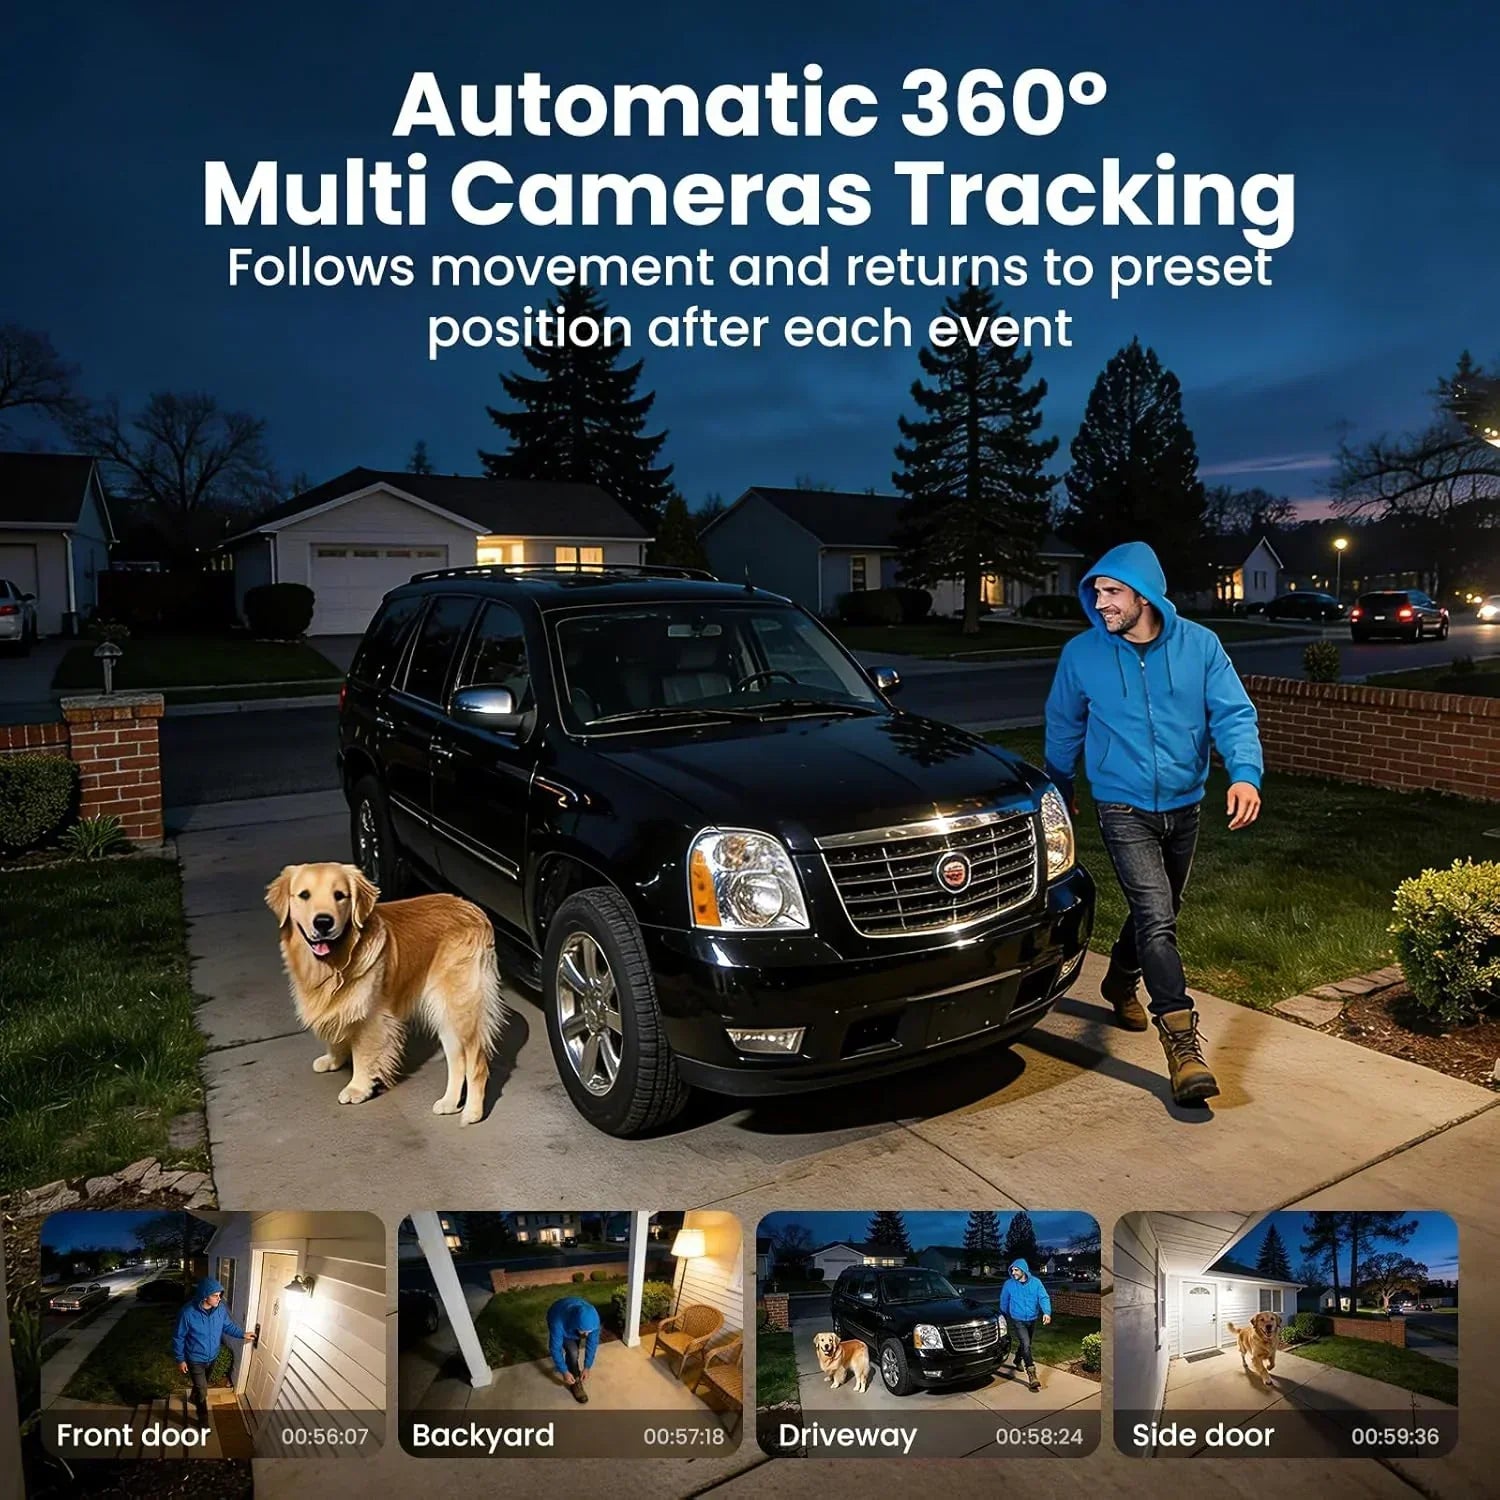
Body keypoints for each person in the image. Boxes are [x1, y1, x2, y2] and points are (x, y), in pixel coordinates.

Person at [1044, 541, 1263, 1104]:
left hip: (1185, 804)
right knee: (1156, 915)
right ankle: (1182, 1044)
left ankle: (1119, 980)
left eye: (1112, 592)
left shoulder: (1200, 646)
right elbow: (1063, 723)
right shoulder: (1082, 653)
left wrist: (1244, 773)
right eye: (1096, 591)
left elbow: (1234, 714)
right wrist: (1059, 783)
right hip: (1121, 805)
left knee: (1161, 911)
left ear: (1145, 595)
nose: (1101, 602)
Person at [173, 1276, 254, 1427]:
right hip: (195, 1358)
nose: (219, 1299)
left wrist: (243, 1334)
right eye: (215, 1295)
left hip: (213, 1357)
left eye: (220, 1295)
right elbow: (179, 1337)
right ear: (205, 1295)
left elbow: (228, 1326)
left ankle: (193, 1396)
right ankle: (203, 1420)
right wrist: (180, 1359)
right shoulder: (187, 1313)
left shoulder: (220, 1310)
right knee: (203, 1390)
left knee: (201, 1385)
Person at [998, 1258, 1051, 1392]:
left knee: (1026, 1344)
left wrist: (1046, 1312)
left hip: (1032, 1318)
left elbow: (1043, 1297)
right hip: (1017, 1319)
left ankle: (1017, 1359)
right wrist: (1003, 1315)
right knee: (1026, 1344)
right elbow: (1004, 1300)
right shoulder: (1009, 1284)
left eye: (1016, 1270)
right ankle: (1032, 1374)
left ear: (1023, 1270)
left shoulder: (1036, 1283)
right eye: (1012, 1270)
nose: (1013, 1272)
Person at [546, 1295, 601, 1404]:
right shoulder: (557, 1322)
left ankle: (571, 1364)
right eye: (584, 1331)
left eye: (589, 1331)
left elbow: (592, 1343)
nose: (587, 1334)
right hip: (557, 1312)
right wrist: (564, 1371)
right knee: (573, 1351)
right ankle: (575, 1380)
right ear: (576, 1325)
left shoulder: (593, 1321)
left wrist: (587, 1367)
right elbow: (555, 1348)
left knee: (573, 1349)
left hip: (574, 1314)